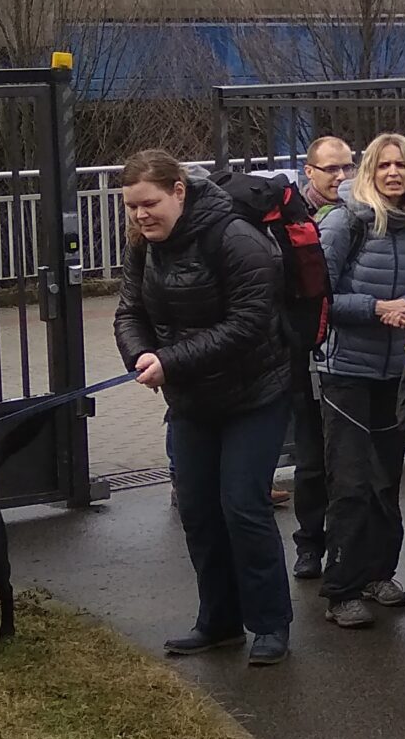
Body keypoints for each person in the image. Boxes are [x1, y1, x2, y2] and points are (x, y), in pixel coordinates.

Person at [114, 150, 294, 665]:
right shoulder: (143, 247)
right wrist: (141, 355)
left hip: (255, 393)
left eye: (149, 203)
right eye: (132, 207)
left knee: (242, 505)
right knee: (197, 509)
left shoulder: (235, 238)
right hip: (192, 399)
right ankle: (218, 621)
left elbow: (249, 322)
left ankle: (270, 624)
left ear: (178, 191)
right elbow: (129, 311)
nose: (141, 215)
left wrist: (170, 361)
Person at [314, 133, 405, 630]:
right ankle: (340, 588)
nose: (393, 173)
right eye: (383, 165)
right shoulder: (345, 221)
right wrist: (376, 307)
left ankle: (377, 574)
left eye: (401, 165)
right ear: (369, 171)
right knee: (349, 482)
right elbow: (318, 297)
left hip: (396, 372)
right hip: (346, 371)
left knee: (387, 480)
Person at [285, 133, 352, 580]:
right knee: (310, 459)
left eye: (347, 166)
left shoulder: (360, 214)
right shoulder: (291, 217)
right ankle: (309, 543)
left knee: (349, 463)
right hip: (304, 356)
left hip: (348, 356)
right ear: (309, 171)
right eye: (331, 168)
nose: (341, 176)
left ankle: (349, 552)